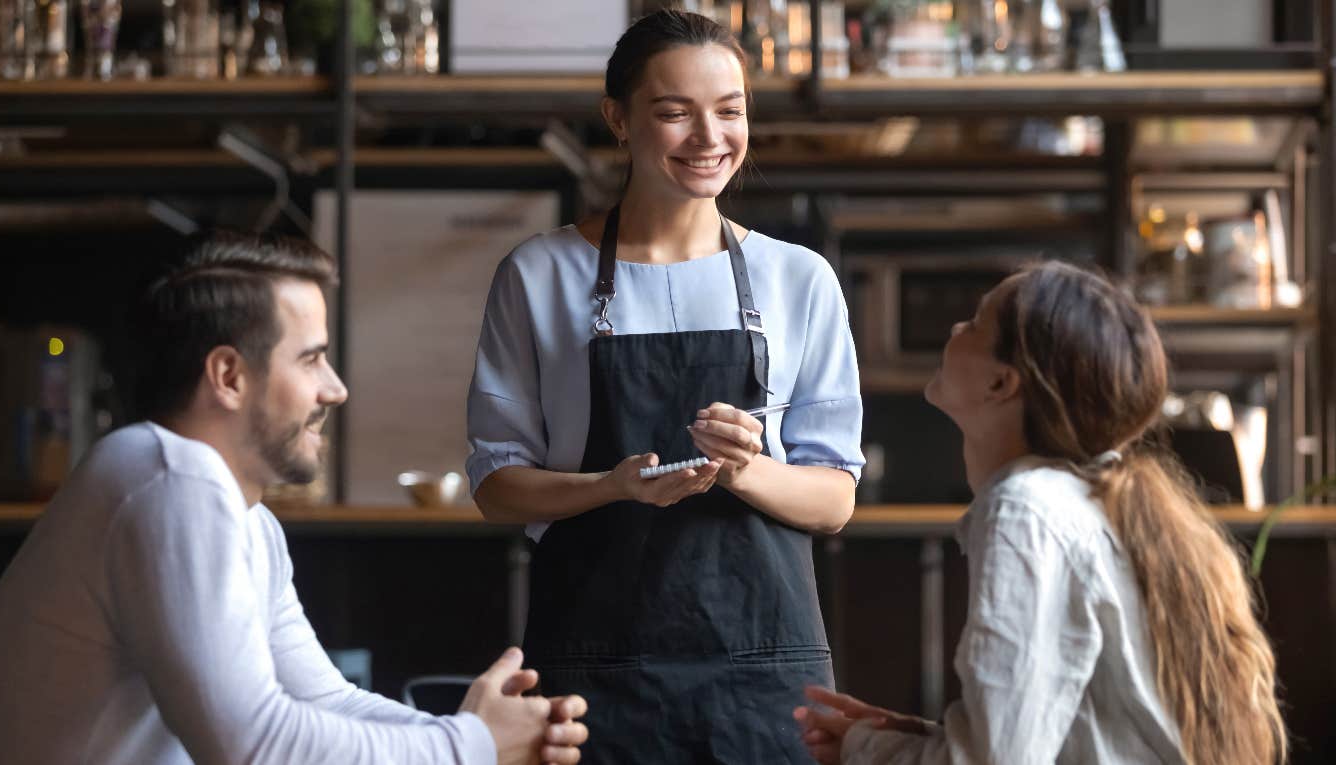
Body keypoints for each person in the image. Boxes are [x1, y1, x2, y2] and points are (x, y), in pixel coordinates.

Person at [0, 233, 588, 765]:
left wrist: (480, 737)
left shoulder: (245, 519)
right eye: (313, 359)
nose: (337, 389)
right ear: (229, 376)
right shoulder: (170, 477)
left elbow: (323, 700)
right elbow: (254, 746)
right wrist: (472, 746)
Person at [466, 9, 864, 763]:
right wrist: (613, 486)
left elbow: (835, 496)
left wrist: (748, 470)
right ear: (618, 118)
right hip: (592, 672)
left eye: (730, 111)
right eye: (675, 113)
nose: (710, 138)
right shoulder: (539, 274)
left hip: (762, 672)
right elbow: (497, 483)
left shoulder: (799, 279)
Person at [793, 261, 1287, 764]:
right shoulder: (1074, 500)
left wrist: (863, 749)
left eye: (975, 323)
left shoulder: (1025, 511)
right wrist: (915, 737)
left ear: (1000, 384)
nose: (954, 329)